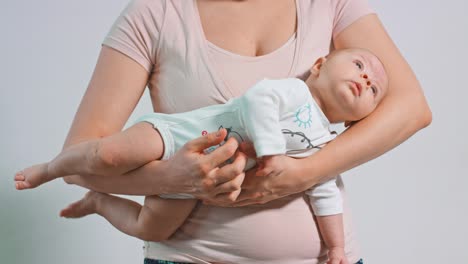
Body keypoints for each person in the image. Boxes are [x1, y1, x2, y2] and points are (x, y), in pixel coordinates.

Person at [34, 0, 431, 263]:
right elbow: (78, 162)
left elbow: (411, 107)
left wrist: (303, 175)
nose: (366, 80)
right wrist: (174, 178)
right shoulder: (156, 13)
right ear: (320, 65)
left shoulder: (327, 2)